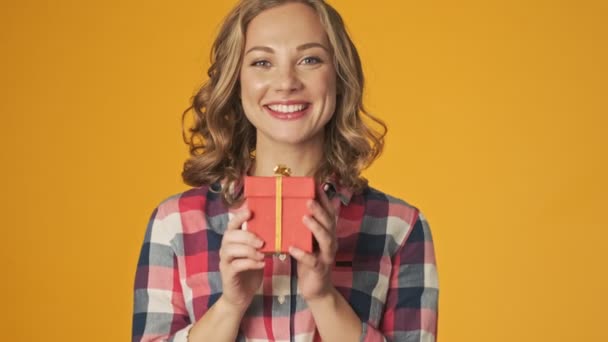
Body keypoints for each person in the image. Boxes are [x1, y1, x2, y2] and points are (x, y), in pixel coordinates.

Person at [132, 0, 439, 341]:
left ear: (338, 77)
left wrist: (323, 297)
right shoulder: (175, 223)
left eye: (310, 59)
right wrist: (230, 305)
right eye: (262, 62)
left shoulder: (399, 227)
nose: (286, 82)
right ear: (237, 81)